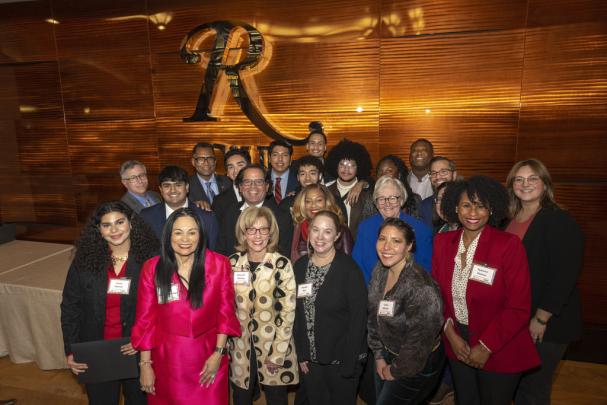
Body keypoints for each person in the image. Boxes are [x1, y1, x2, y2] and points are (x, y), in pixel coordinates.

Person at [432, 176, 540, 405]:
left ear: (491, 209)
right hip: (457, 343)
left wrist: (486, 346)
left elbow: (518, 307)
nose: (473, 212)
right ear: (455, 208)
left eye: (481, 205)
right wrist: (450, 334)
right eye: (466, 205)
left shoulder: (508, 245)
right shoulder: (442, 242)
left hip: (499, 346)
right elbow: (436, 296)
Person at [131, 208, 241, 404]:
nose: (185, 239)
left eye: (192, 232)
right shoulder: (152, 268)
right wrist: (145, 365)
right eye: (178, 232)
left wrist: (218, 354)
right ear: (168, 235)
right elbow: (145, 320)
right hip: (168, 360)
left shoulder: (219, 264)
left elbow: (225, 313)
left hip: (209, 355)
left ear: (201, 235)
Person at [61, 201, 159, 405]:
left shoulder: (152, 259)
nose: (114, 230)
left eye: (119, 222)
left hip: (137, 351)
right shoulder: (85, 260)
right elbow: (70, 307)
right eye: (106, 225)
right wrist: (71, 350)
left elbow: (163, 308)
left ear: (131, 223)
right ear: (99, 230)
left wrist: (143, 339)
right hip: (96, 351)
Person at [505, 159, 584, 405]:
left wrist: (541, 318)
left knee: (534, 388)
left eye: (532, 179)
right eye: (519, 179)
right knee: (515, 385)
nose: (525, 184)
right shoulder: (506, 218)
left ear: (545, 184)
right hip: (515, 317)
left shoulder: (559, 220)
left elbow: (564, 275)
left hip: (546, 324)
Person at [293, 210, 368, 405]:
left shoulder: (349, 270)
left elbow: (358, 320)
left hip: (341, 361)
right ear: (308, 233)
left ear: (337, 236)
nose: (320, 237)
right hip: (311, 362)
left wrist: (349, 365)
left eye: (327, 232)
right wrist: (301, 354)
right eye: (315, 230)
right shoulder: (300, 267)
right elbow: (297, 315)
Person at [368, 218, 444, 404]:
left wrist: (395, 370)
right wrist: (378, 355)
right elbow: (372, 315)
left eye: (396, 241)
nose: (386, 247)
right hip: (385, 352)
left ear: (409, 246)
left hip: (414, 362)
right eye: (382, 239)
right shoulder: (380, 270)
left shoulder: (420, 287)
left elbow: (418, 342)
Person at [228, 207, 298, 405]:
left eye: (263, 229)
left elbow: (287, 312)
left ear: (271, 232)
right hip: (240, 347)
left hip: (274, 345)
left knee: (276, 399)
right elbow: (226, 307)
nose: (257, 235)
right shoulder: (232, 263)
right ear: (243, 233)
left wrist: (277, 354)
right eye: (251, 230)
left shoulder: (281, 264)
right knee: (241, 397)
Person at [353, 176, 433, 284]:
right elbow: (358, 267)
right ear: (376, 203)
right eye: (381, 198)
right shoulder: (365, 227)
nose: (387, 203)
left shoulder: (420, 230)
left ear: (401, 200)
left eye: (392, 198)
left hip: (408, 293)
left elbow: (424, 272)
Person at [139, 165, 219, 249]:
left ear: (187, 187)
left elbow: (211, 253)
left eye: (178, 185)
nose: (173, 190)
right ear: (161, 189)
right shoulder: (146, 216)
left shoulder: (206, 217)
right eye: (167, 186)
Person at [216, 164, 280, 256]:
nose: (253, 186)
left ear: (267, 187)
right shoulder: (230, 212)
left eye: (258, 182)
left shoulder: (280, 215)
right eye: (247, 182)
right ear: (240, 187)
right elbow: (221, 250)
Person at [290, 184, 353, 262]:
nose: (313, 205)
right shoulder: (297, 228)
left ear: (327, 202)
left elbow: (348, 264)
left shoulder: (341, 230)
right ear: (303, 204)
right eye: (308, 201)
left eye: (319, 200)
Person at [325, 139, 374, 238]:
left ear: (359, 167)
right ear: (336, 166)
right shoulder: (326, 191)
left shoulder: (367, 192)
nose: (346, 169)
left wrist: (363, 183)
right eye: (342, 164)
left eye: (352, 165)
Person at [211, 147, 251, 226]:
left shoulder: (262, 194)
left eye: (240, 165)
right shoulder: (219, 201)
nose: (236, 171)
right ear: (227, 173)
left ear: (249, 167)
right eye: (231, 167)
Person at [374, 155, 422, 220]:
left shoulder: (415, 200)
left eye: (389, 171)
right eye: (380, 172)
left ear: (399, 175)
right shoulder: (369, 198)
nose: (383, 175)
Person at [189, 142, 231, 209]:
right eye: (201, 159)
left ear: (215, 161)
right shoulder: (187, 185)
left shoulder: (227, 182)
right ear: (193, 162)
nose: (206, 163)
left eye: (210, 158)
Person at [420, 156, 458, 227]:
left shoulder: (465, 200)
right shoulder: (425, 205)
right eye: (433, 173)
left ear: (454, 175)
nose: (438, 177)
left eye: (443, 171)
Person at [269, 140, 298, 204]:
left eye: (285, 155)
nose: (280, 159)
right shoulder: (262, 179)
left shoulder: (299, 179)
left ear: (290, 159)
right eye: (275, 155)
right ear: (269, 158)